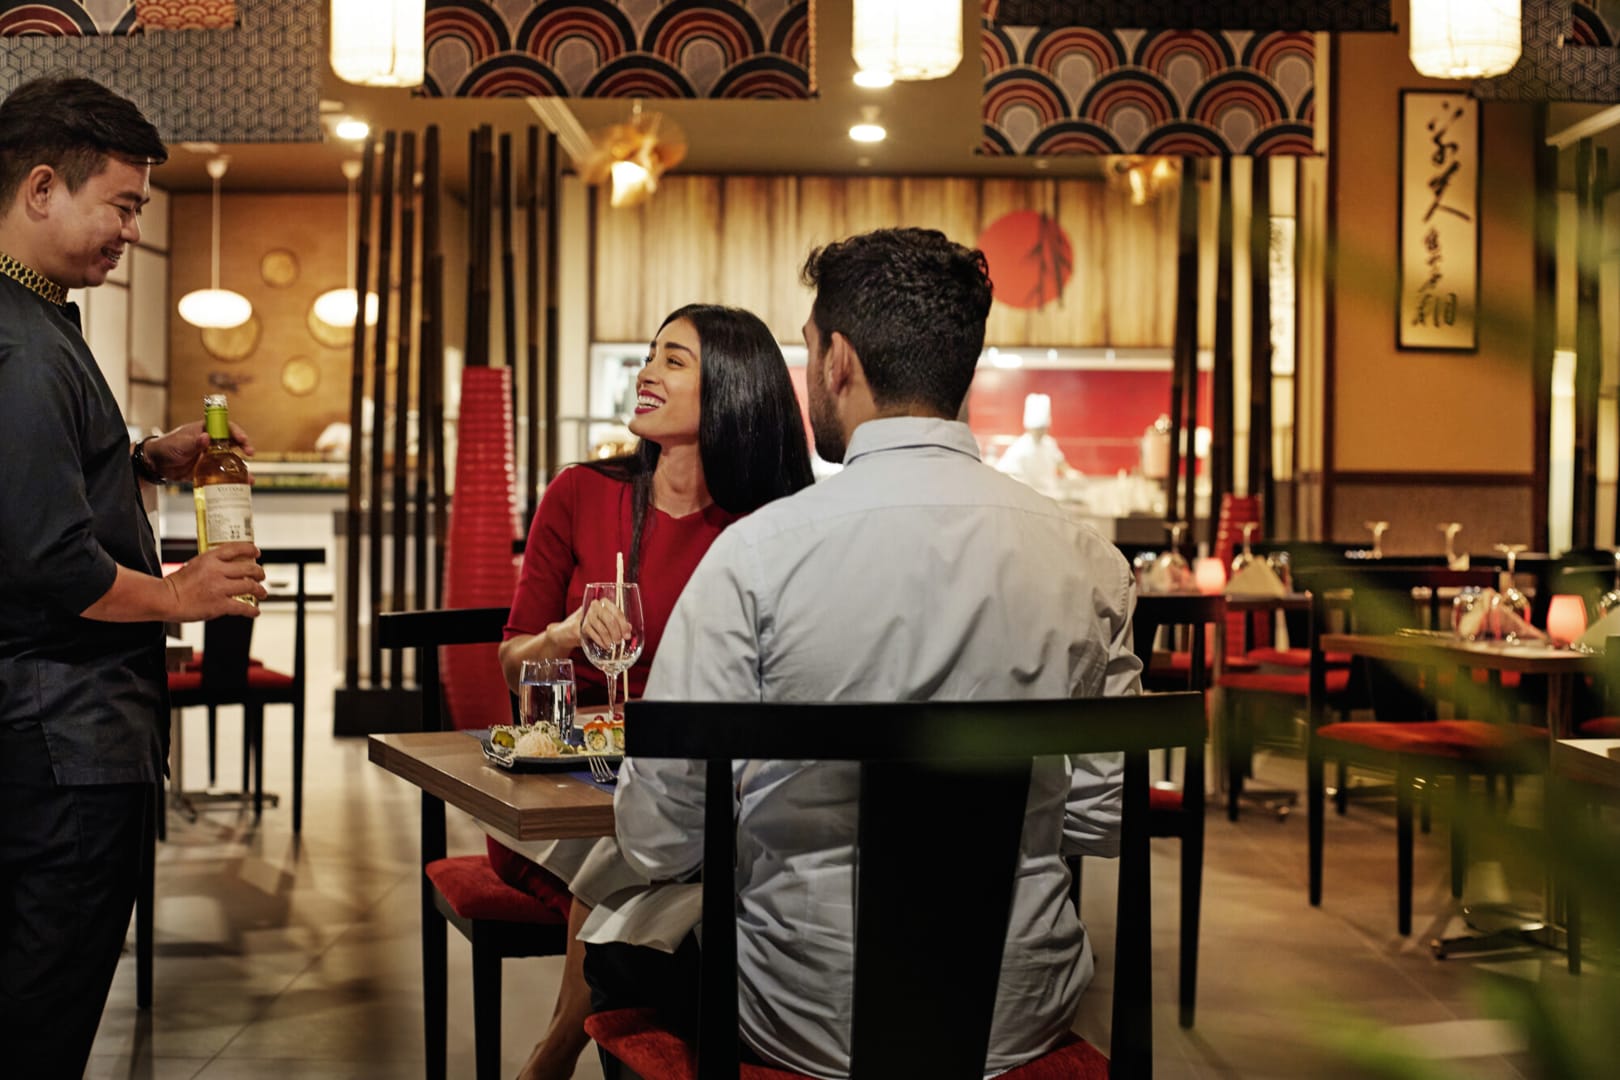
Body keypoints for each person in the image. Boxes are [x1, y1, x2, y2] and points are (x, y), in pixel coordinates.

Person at [596, 228, 1141, 1077]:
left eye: (810, 350)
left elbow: (659, 836)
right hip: (1017, 1015)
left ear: (839, 359)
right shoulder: (1089, 561)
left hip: (798, 1018)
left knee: (615, 959)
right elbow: (1104, 818)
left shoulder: (757, 555)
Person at [0, 76, 268, 1078]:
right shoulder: (22, 348)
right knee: (44, 999)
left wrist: (142, 459)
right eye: (120, 205)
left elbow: (40, 479)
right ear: (41, 188)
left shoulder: (38, 317)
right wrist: (178, 594)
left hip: (55, 723)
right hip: (61, 728)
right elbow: (50, 559)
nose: (131, 231)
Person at [492, 302, 814, 1080]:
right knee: (642, 841)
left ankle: (564, 1050)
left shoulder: (768, 525)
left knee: (668, 832)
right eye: (649, 355)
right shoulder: (580, 492)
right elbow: (511, 660)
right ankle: (565, 1049)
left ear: (732, 388)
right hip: (577, 781)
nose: (647, 373)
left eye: (674, 360)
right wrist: (563, 636)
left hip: (696, 784)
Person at [995, 391, 1081, 498]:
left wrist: (1069, 472)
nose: (1040, 432)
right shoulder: (1019, 447)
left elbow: (1059, 462)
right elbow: (1003, 471)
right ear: (1029, 427)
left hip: (1050, 495)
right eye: (1038, 429)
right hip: (1029, 497)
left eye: (1043, 429)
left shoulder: (1049, 443)